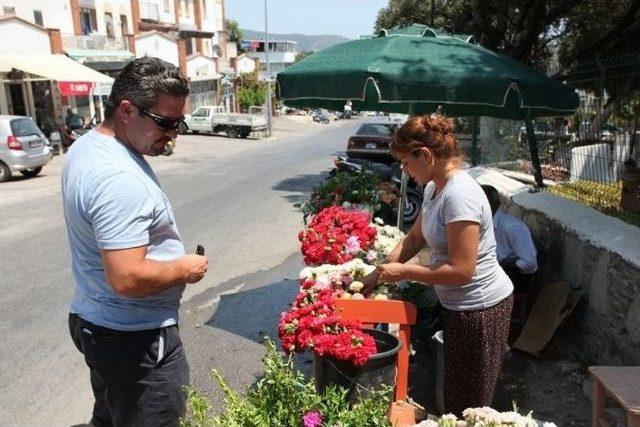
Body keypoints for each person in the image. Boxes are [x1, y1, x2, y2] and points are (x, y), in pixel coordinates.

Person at [61, 57, 208, 427]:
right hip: (135, 339)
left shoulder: (88, 147)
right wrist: (184, 268)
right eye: (166, 122)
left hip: (100, 324)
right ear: (126, 111)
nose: (174, 134)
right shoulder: (118, 178)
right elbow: (126, 277)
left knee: (112, 415)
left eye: (179, 122)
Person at [362, 114, 513, 416]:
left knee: (471, 402)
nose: (403, 170)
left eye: (405, 162)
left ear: (426, 155)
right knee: (456, 393)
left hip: (480, 310)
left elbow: (461, 270)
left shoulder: (460, 195)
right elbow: (415, 238)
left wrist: (404, 272)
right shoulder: (434, 188)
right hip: (459, 307)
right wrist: (376, 274)